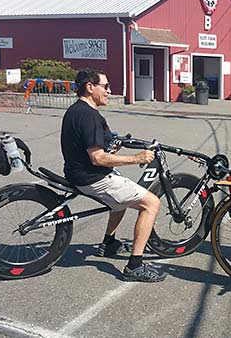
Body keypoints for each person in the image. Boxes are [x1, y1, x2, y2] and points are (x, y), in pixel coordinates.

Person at [60, 68, 165, 282]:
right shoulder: (90, 116)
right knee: (151, 203)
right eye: (105, 86)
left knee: (121, 200)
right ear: (90, 87)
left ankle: (109, 244)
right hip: (93, 177)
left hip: (77, 173)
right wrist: (137, 158)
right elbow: (97, 158)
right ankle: (135, 266)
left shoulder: (75, 110)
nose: (109, 91)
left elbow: (92, 145)